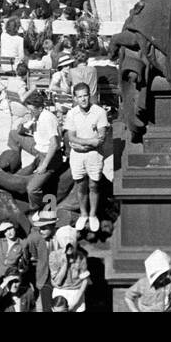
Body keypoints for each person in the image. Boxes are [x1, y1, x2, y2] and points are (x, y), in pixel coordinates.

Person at [63, 81, 110, 233]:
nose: (83, 99)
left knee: (94, 185)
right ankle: (83, 214)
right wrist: (90, 142)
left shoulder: (99, 112)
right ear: (75, 98)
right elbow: (71, 137)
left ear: (90, 96)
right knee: (80, 185)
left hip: (94, 155)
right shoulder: (72, 114)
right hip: (77, 156)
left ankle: (93, 214)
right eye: (79, 97)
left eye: (85, 96)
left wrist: (82, 144)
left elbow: (101, 138)